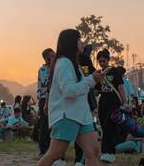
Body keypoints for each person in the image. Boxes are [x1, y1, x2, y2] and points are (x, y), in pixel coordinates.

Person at [37, 29, 102, 166]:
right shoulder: (64, 63)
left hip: (81, 115)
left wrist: (93, 79)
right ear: (71, 43)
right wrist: (91, 79)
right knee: (55, 154)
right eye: (79, 39)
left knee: (93, 152)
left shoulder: (73, 63)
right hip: (67, 115)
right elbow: (68, 90)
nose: (82, 42)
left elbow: (79, 87)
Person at [95, 49, 127, 163]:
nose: (102, 63)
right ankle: (108, 152)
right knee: (104, 127)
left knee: (109, 126)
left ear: (108, 60)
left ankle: (108, 152)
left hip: (114, 103)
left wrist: (124, 102)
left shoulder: (114, 71)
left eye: (103, 61)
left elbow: (120, 87)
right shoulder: (99, 74)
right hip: (103, 103)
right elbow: (97, 92)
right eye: (100, 61)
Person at [74, 44, 97, 166]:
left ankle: (79, 159)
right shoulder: (86, 60)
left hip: (78, 98)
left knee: (79, 133)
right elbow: (92, 76)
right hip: (86, 97)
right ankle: (83, 158)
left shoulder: (74, 60)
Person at [37, 47, 55, 157]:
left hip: (54, 98)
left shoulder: (55, 68)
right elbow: (48, 84)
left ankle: (52, 149)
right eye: (52, 57)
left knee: (52, 124)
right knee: (44, 124)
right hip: (44, 98)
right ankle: (43, 149)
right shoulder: (43, 70)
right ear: (47, 59)